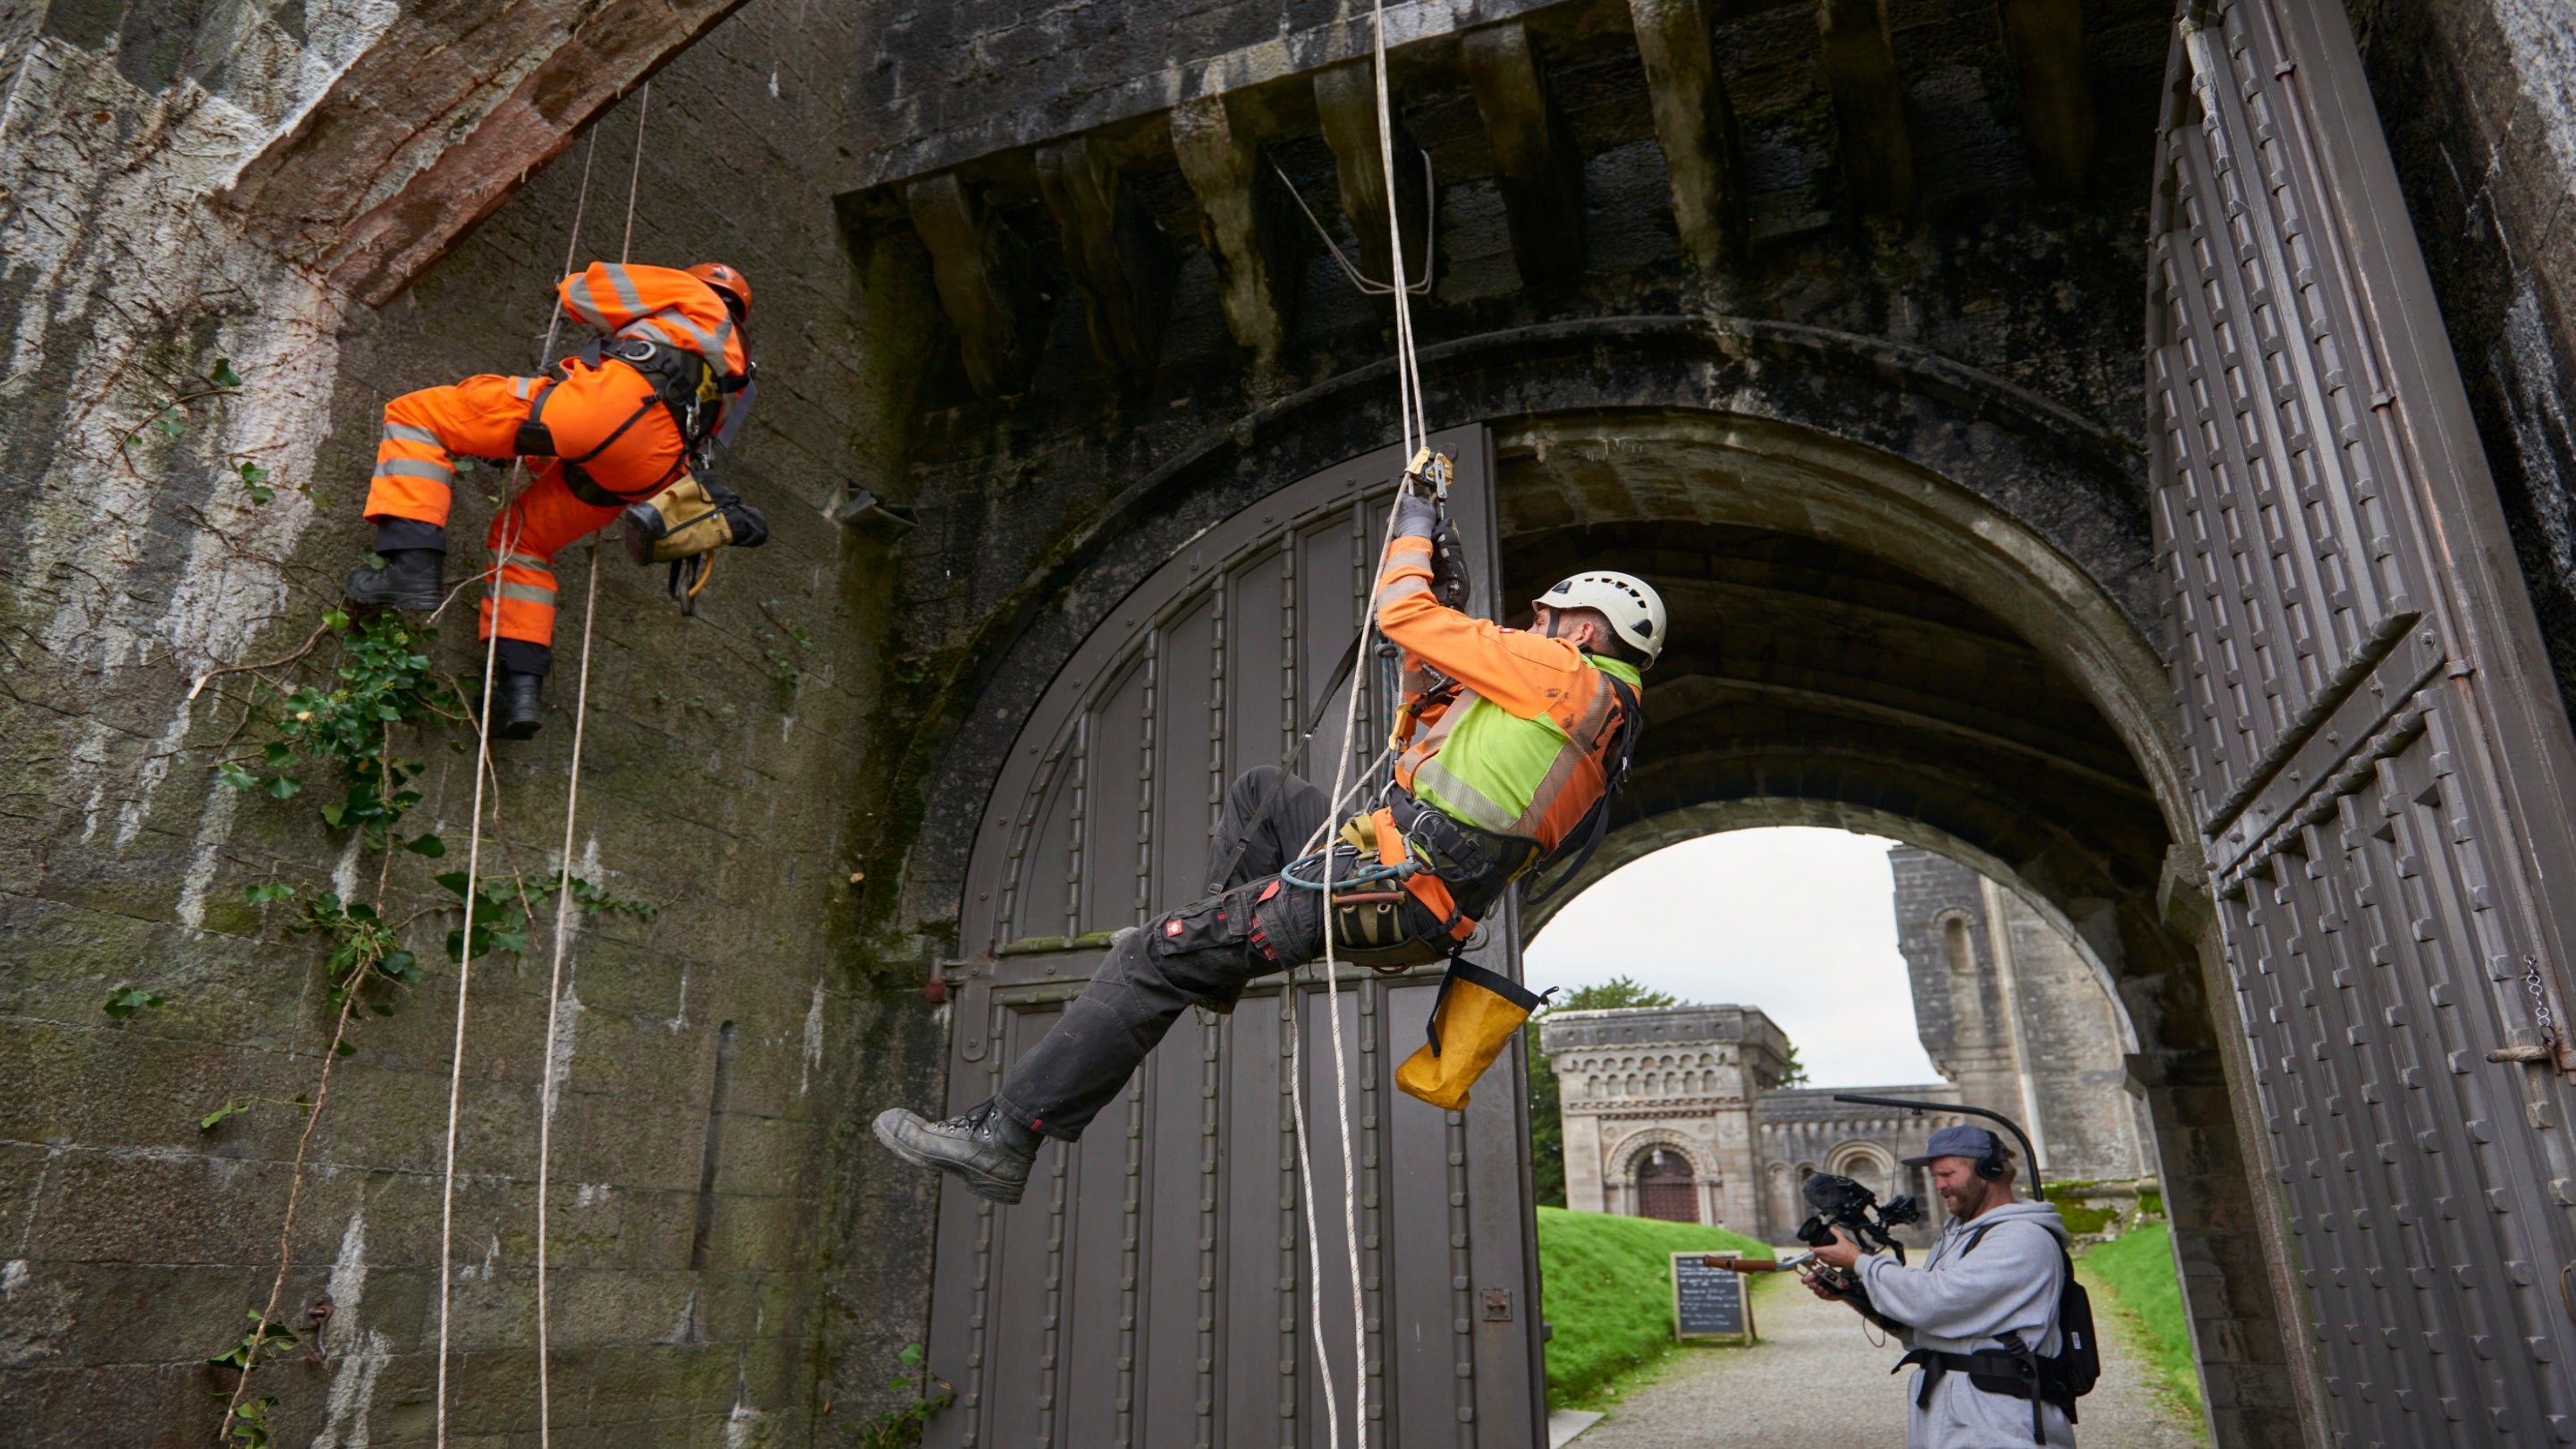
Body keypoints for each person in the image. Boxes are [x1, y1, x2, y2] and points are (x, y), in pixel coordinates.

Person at [874, 482, 1666, 1204]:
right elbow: (1423, 725)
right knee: (1268, 795)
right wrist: (1431, 648)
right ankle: (1214, 973)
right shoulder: (1599, 725)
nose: (1534, 626)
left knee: (1150, 957)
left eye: (1546, 617)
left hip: (1383, 882)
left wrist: (1416, 533)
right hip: (1407, 884)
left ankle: (1004, 1138)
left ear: (1585, 627)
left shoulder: (1564, 672)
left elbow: (1399, 613)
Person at [343, 260, 759, 738]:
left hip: (615, 412)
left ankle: (409, 566)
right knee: (523, 542)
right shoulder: (740, 372)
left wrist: (567, 282)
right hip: (653, 471)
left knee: (418, 415)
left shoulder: (688, 292)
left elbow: (584, 295)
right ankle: (517, 694)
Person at [1808, 1124, 2078, 1447]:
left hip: (2000, 1421)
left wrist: (1861, 1262)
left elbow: (1937, 1300)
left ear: (1990, 1170)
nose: (1938, 1185)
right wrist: (1852, 1292)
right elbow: (1920, 1323)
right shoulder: (1960, 1236)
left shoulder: (2022, 1237)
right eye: (1935, 1176)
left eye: (1947, 1174)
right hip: (1951, 1418)